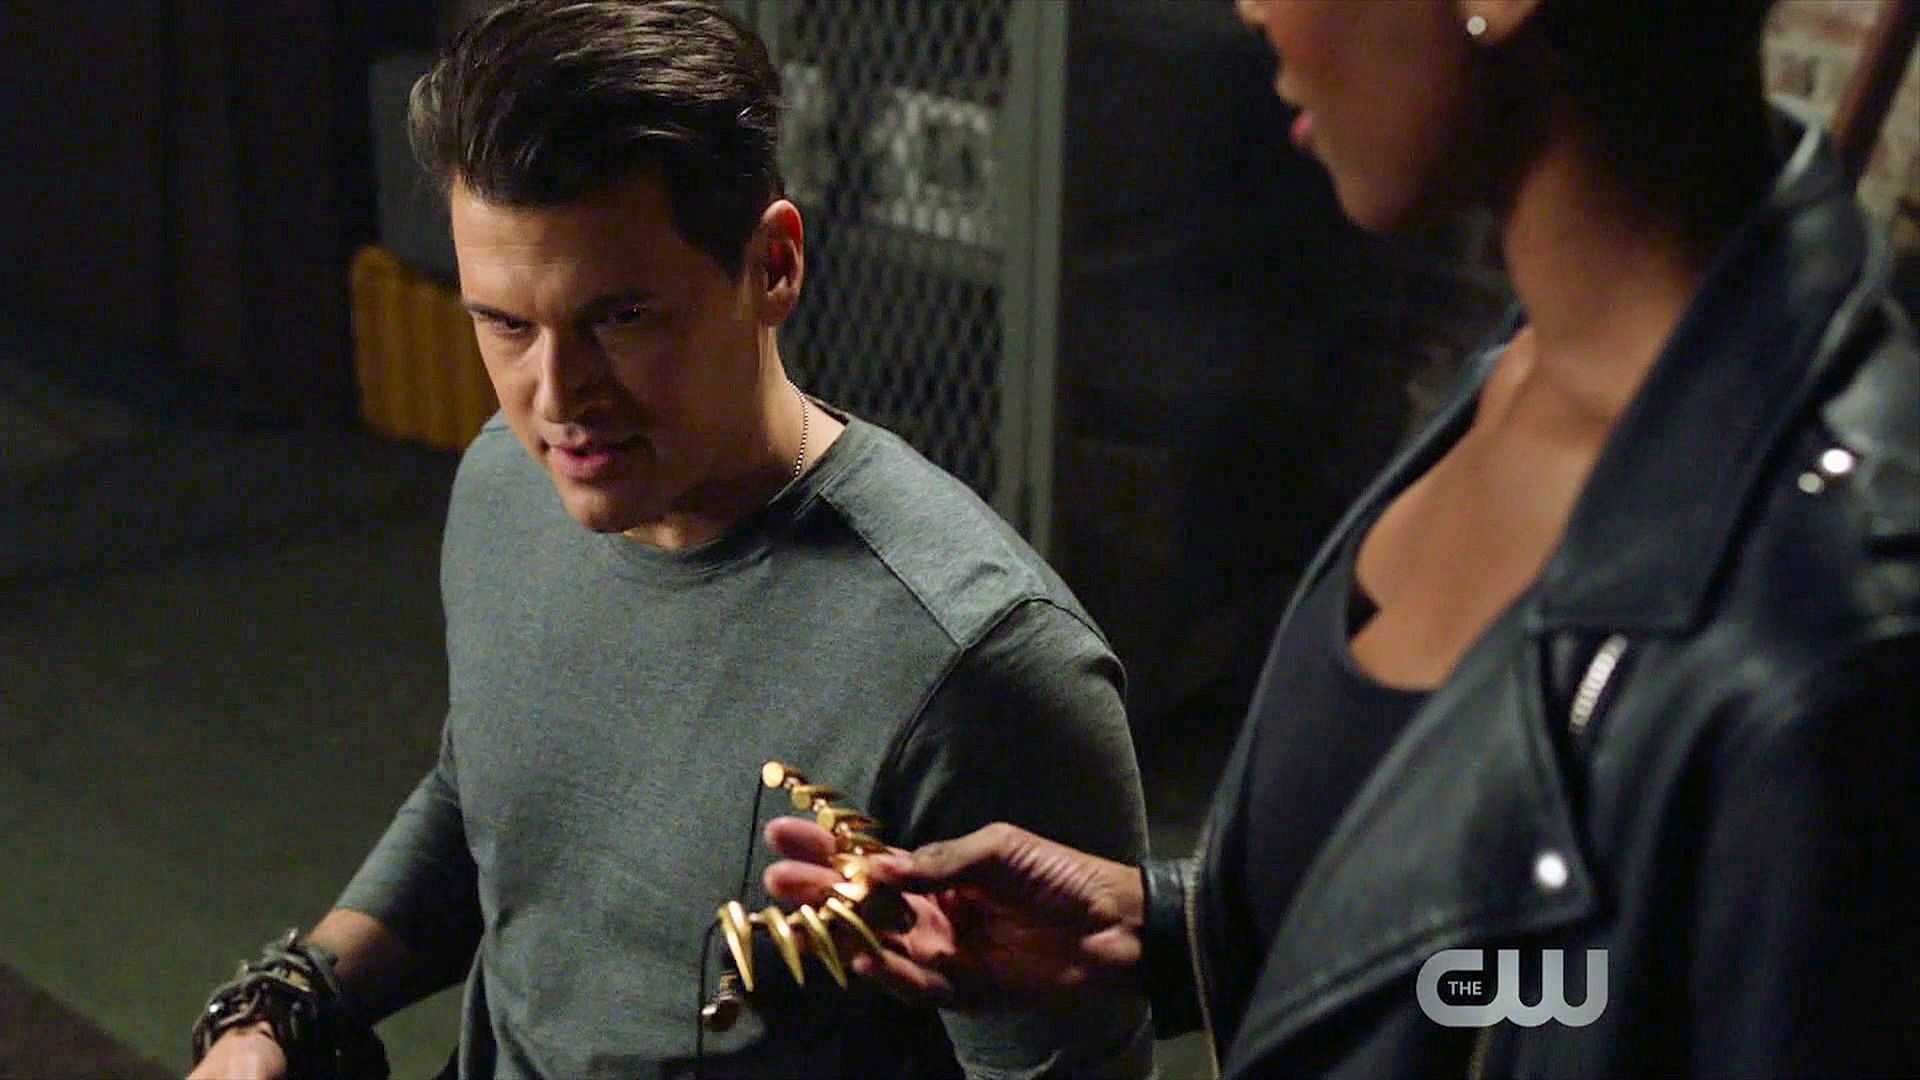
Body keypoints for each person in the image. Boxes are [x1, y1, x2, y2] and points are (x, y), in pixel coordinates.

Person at [768, 0, 1920, 1076]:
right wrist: (1166, 933)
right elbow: (1548, 974)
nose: (1254, 9)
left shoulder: (1825, 653)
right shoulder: (1531, 367)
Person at [185, 2, 1152, 1077]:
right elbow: (486, 806)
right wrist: (284, 1010)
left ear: (774, 265)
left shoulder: (983, 666)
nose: (557, 398)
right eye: (506, 323)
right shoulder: (509, 483)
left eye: (620, 318)